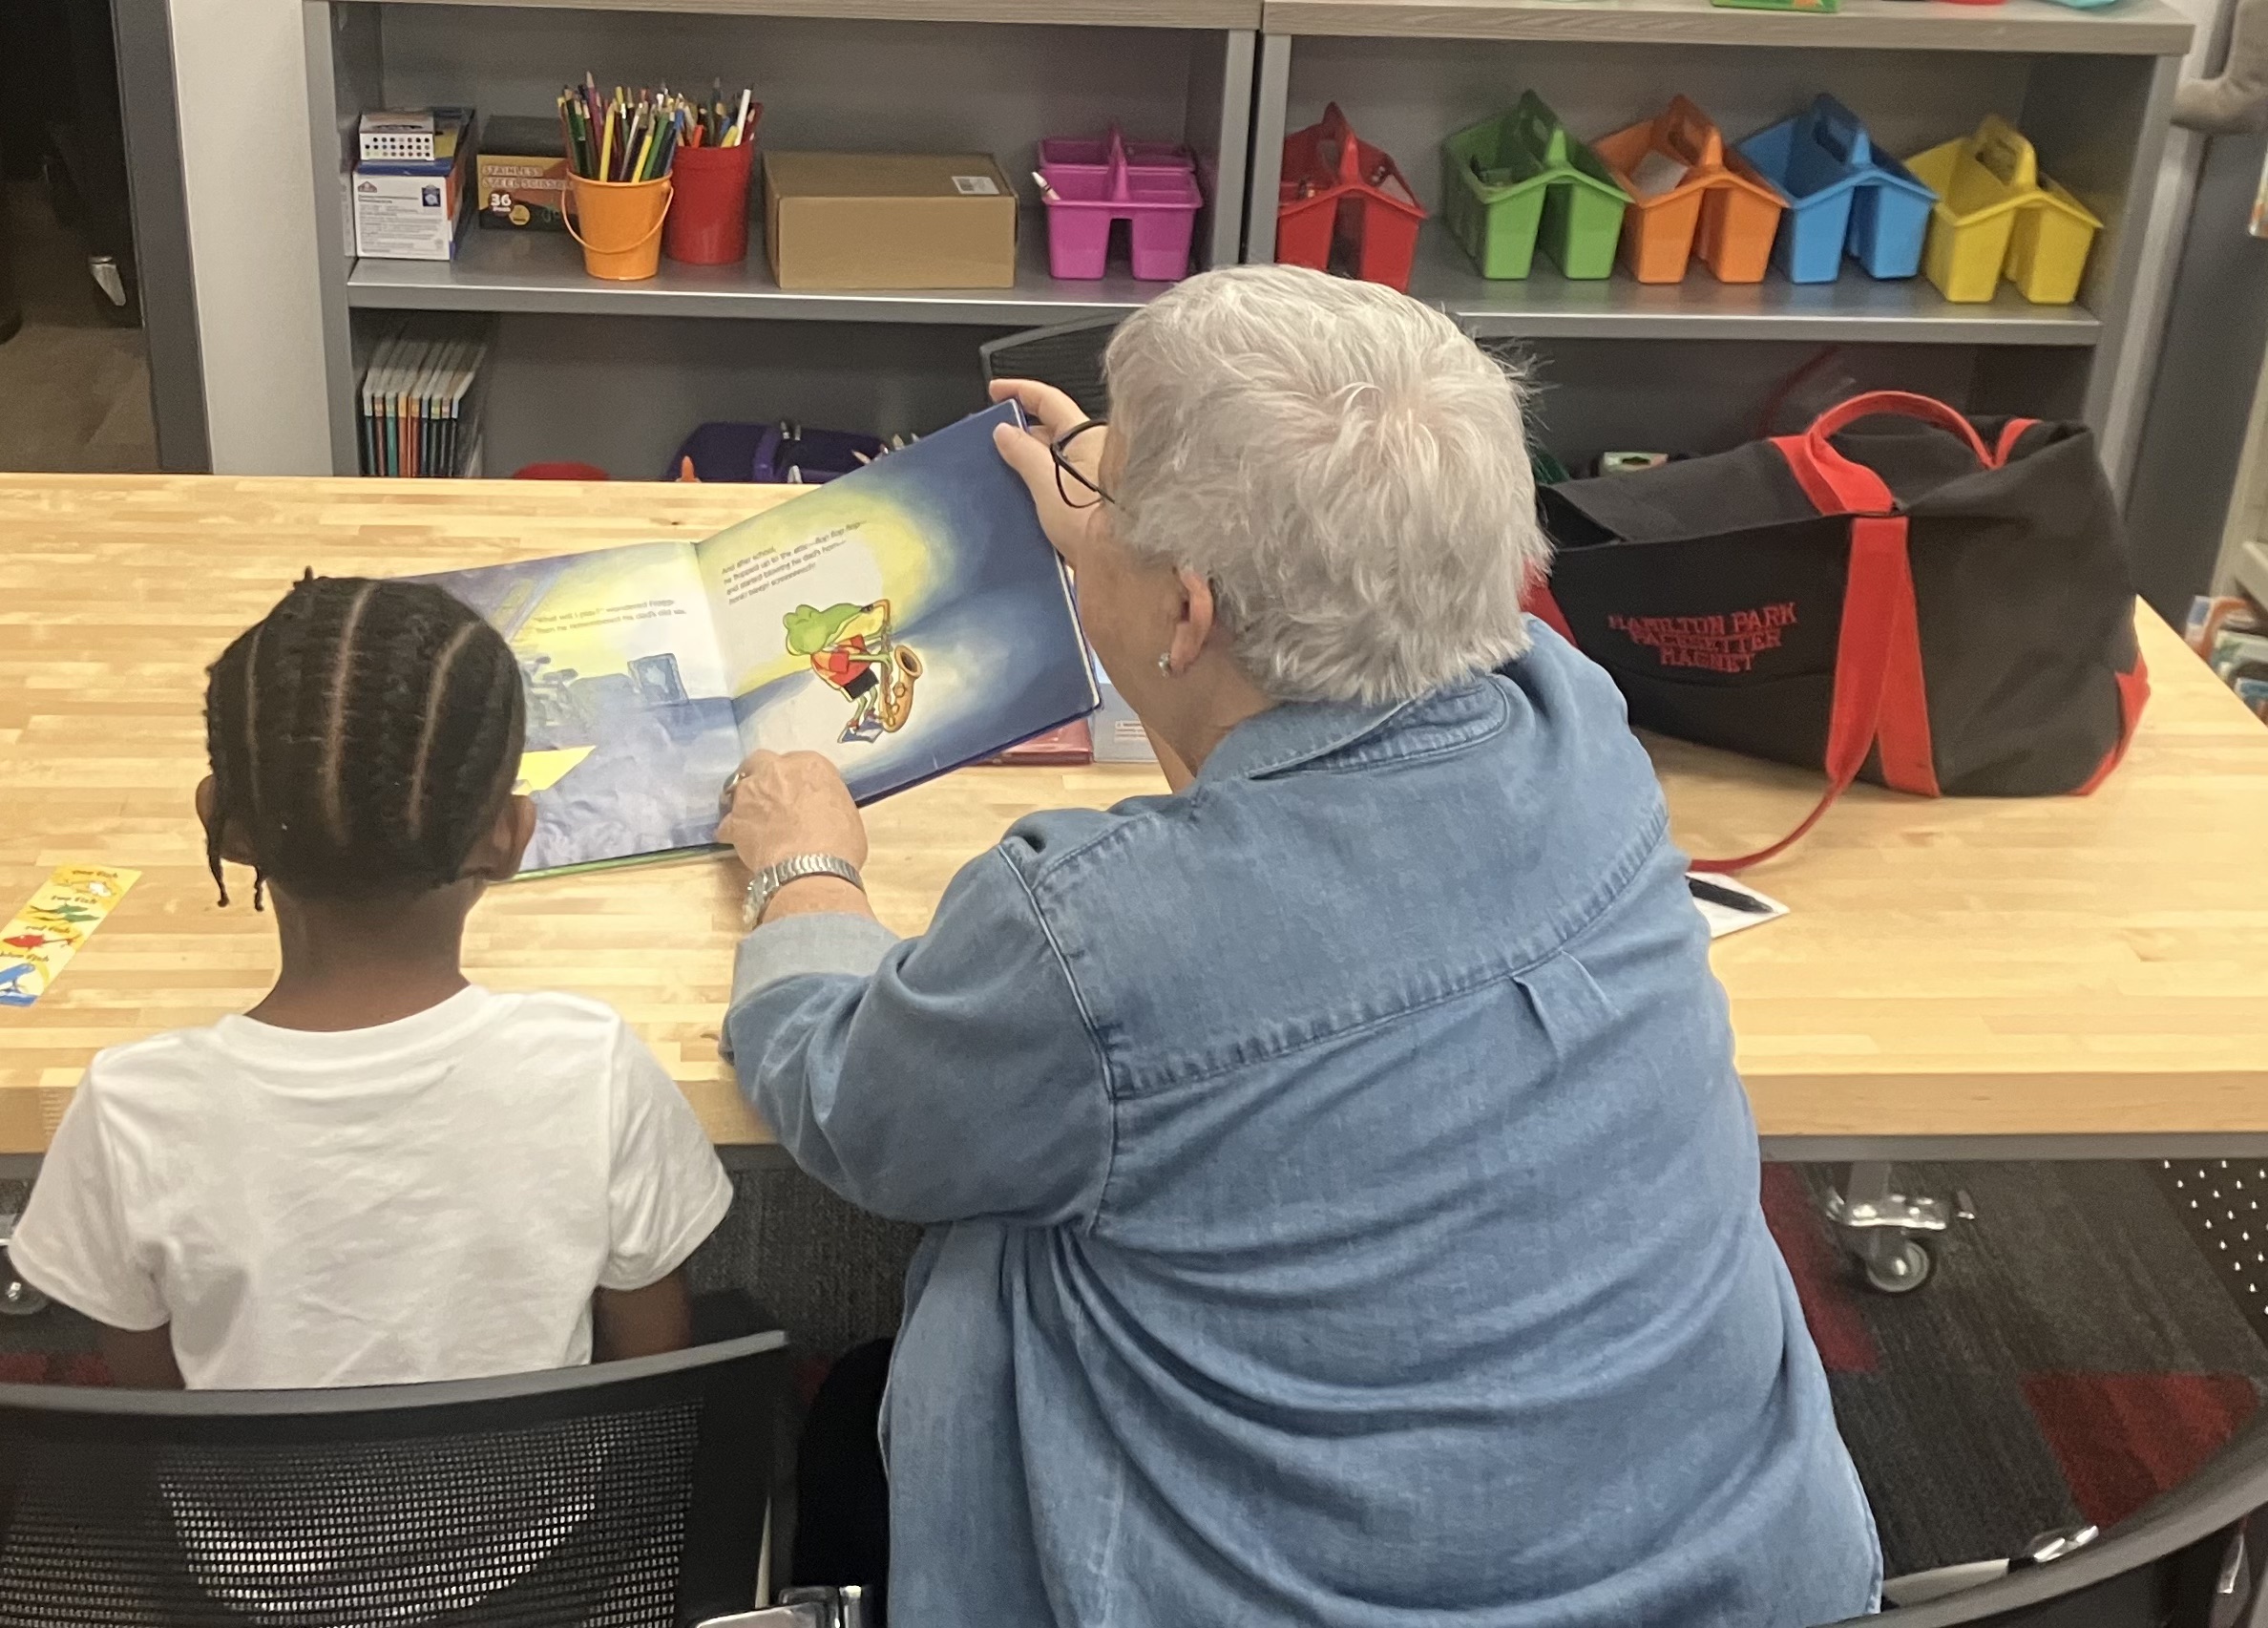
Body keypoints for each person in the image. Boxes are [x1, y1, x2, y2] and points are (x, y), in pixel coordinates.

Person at [715, 264, 1880, 1627]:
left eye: (1108, 482)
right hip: (1746, 1574)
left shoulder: (1090, 930)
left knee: (978, 1275)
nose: (1084, 496)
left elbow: (854, 1104)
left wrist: (807, 864)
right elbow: (1270, 723)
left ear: (1193, 609)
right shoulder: (1578, 722)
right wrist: (1123, 512)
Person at [10, 576, 731, 1389]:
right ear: (512, 837)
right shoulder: (592, 1065)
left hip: (238, 1520)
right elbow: (652, 1370)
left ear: (224, 824)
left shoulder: (126, 1109)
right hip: (543, 1518)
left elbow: (155, 1404)